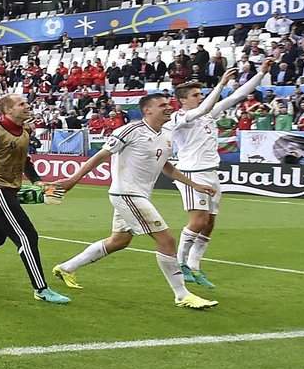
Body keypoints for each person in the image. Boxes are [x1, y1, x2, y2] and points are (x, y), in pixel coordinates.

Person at [51, 94, 220, 309]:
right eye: (162, 105)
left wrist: (193, 185)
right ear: (148, 110)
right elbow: (101, 155)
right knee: (166, 240)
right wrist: (73, 179)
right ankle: (182, 295)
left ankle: (66, 268)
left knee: (119, 240)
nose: (169, 108)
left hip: (139, 195)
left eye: (169, 104)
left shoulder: (166, 134)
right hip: (127, 194)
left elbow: (165, 166)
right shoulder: (130, 130)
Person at [0, 94, 72, 304]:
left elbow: (24, 160)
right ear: (8, 110)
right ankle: (41, 289)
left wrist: (37, 181)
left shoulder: (25, 131)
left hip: (11, 189)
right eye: (21, 104)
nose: (27, 106)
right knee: (27, 236)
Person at [169, 67, 264, 288]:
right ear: (182, 100)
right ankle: (180, 263)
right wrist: (221, 84)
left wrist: (261, 73)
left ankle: (194, 266)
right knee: (198, 221)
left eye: (200, 94)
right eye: (195, 95)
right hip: (192, 172)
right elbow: (202, 109)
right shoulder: (179, 117)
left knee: (209, 223)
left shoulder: (208, 114)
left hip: (211, 172)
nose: (199, 97)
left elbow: (238, 95)